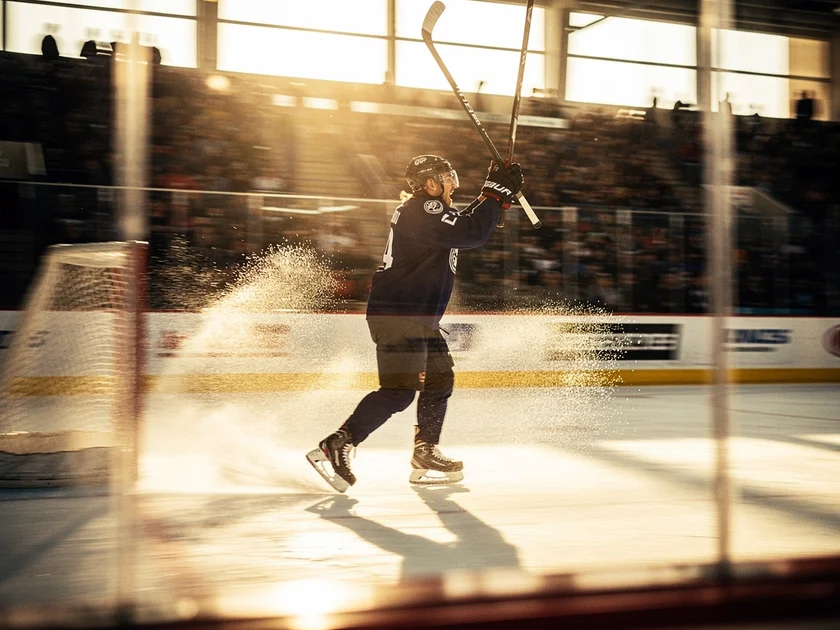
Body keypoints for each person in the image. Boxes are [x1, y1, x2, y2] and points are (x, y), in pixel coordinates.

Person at [306, 155, 524, 492]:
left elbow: (466, 224)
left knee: (440, 379)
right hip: (400, 315)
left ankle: (425, 451)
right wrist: (494, 194)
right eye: (447, 178)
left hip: (415, 317)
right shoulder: (423, 210)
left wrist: (492, 195)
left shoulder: (429, 214)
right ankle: (338, 442)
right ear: (431, 184)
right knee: (399, 392)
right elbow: (472, 232)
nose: (453, 183)